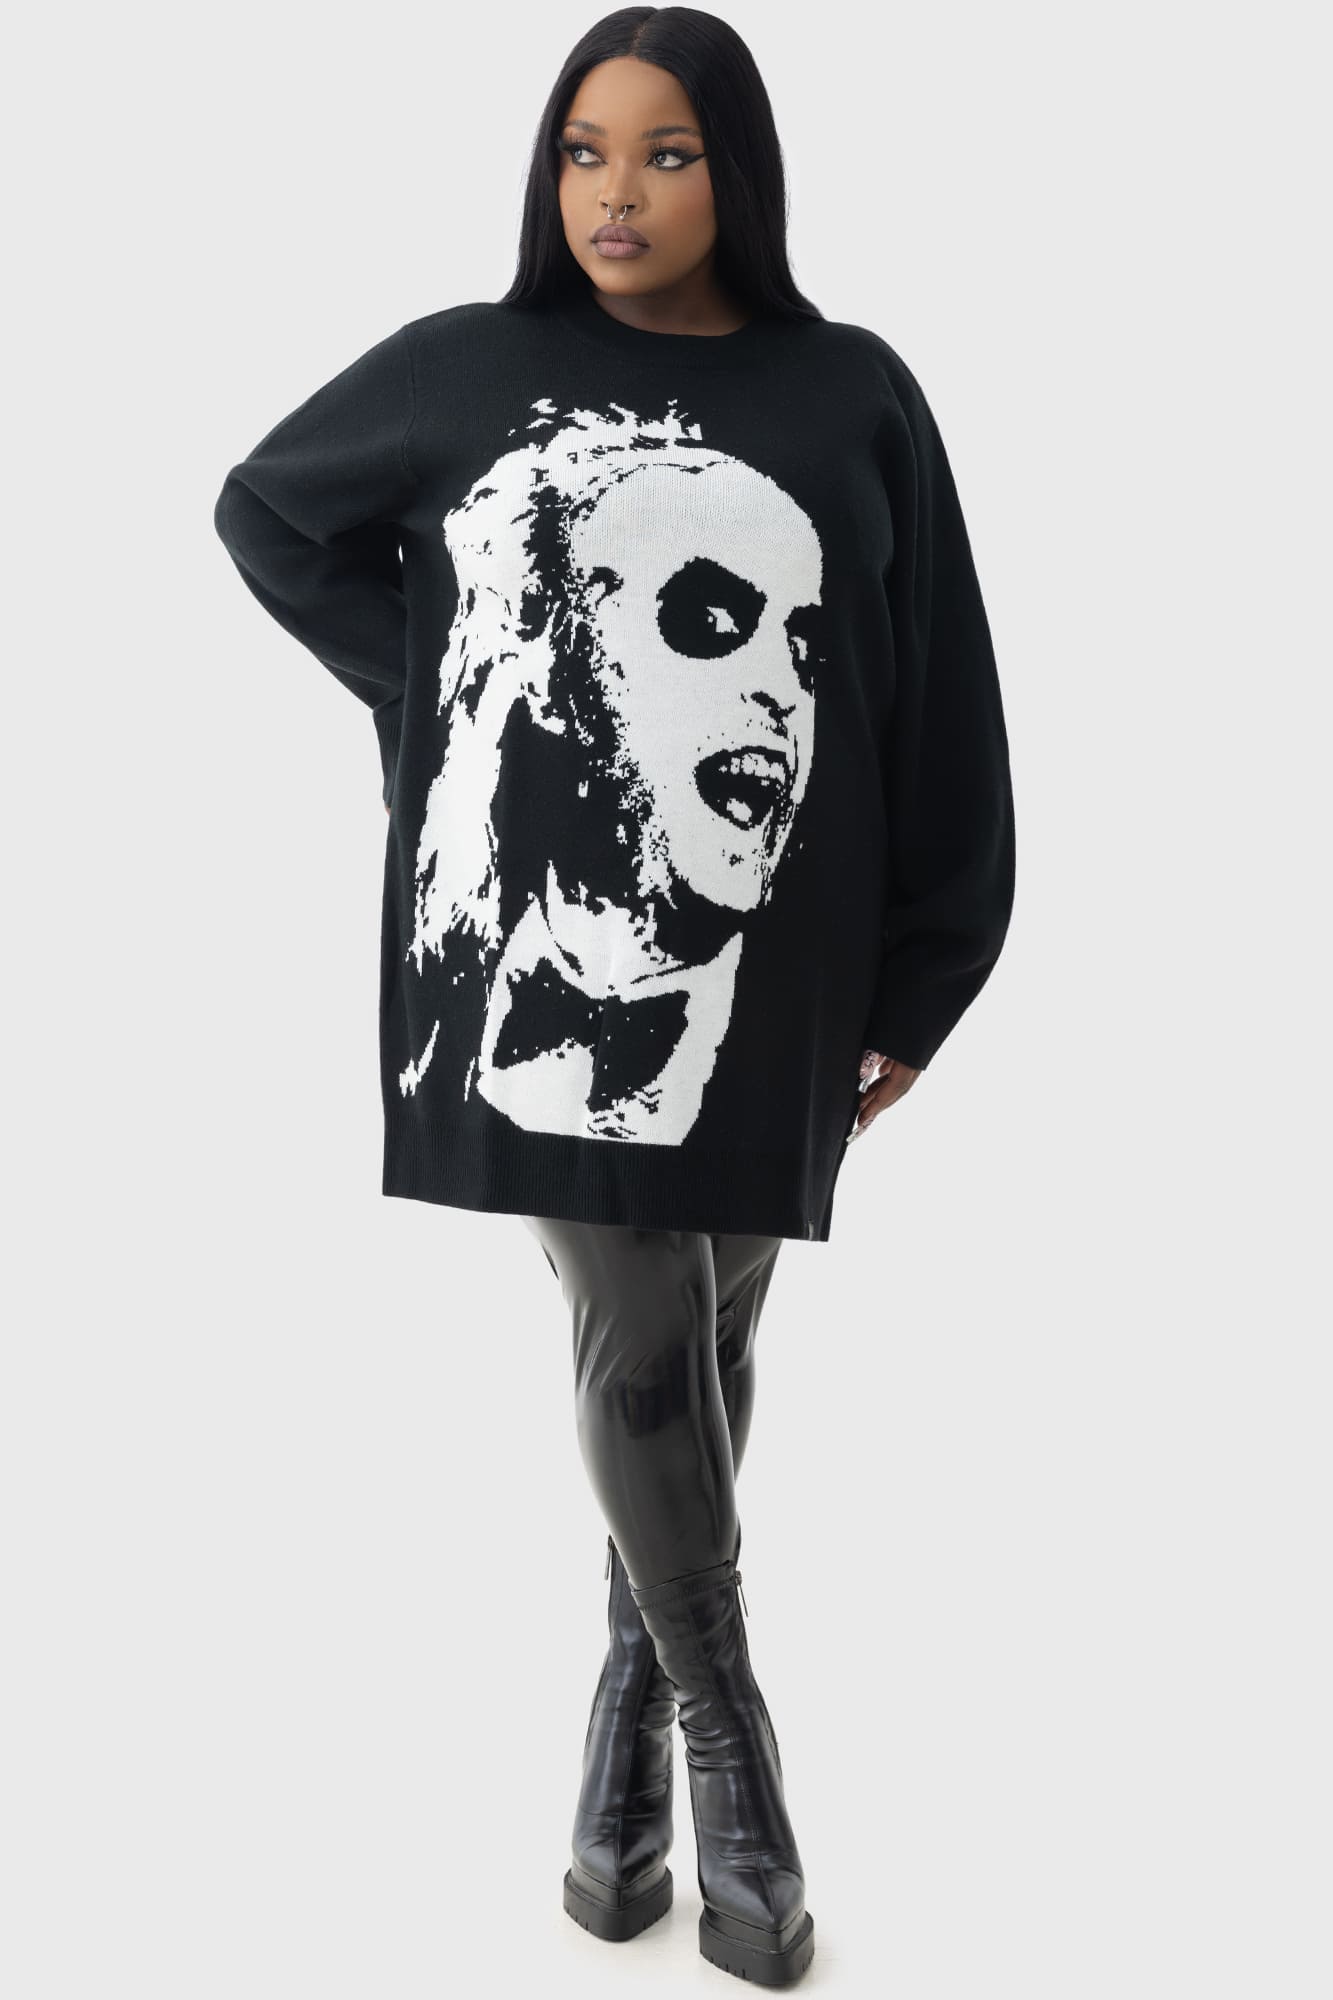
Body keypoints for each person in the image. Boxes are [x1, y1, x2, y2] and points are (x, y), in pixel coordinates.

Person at [213, 8, 1016, 1986]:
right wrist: (459, 686)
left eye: (666, 153)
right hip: (520, 977)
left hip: (788, 977)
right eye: (584, 150)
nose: (618, 194)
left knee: (708, 1316)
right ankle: (731, 1753)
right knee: (642, 1303)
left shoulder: (853, 391)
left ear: (738, 170)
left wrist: (926, 973)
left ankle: (617, 1731)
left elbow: (932, 686)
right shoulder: (462, 369)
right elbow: (265, 511)